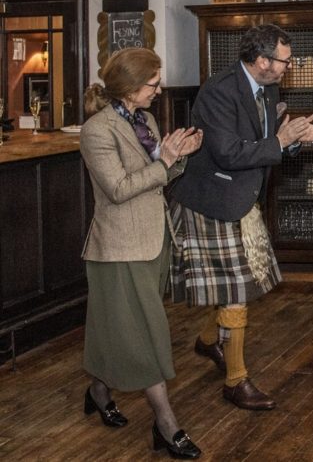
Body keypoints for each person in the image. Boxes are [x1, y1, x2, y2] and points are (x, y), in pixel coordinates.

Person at [170, 25, 313, 411]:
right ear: (261, 61)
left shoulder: (268, 88)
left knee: (235, 285)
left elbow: (266, 143)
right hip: (212, 199)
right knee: (237, 290)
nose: (289, 67)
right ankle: (235, 382)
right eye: (285, 61)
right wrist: (283, 140)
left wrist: (295, 140)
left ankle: (209, 341)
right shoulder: (218, 91)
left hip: (243, 196)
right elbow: (229, 153)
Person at [80, 48, 204, 459]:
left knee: (117, 328)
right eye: (153, 83)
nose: (159, 89)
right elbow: (118, 190)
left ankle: (98, 391)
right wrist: (164, 160)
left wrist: (178, 158)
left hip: (154, 238)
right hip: (119, 247)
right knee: (147, 332)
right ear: (131, 87)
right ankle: (166, 424)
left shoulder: (144, 120)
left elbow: (157, 178)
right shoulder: (97, 131)